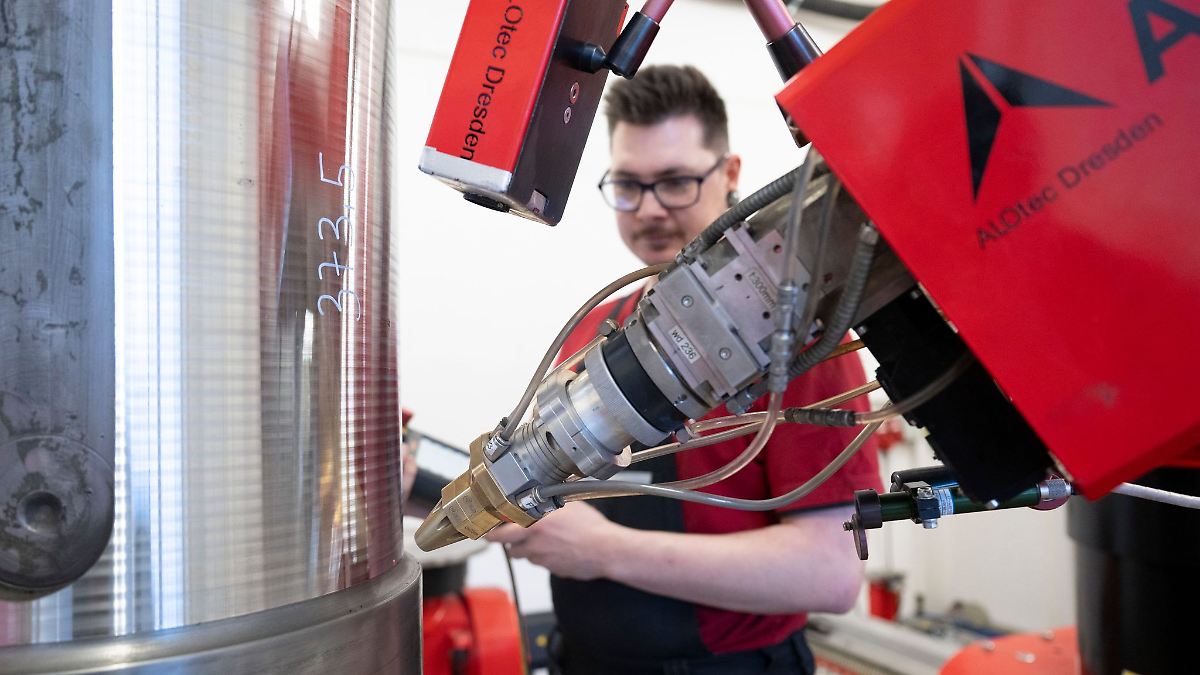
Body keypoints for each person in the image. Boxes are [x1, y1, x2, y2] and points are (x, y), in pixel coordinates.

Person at [488, 65, 881, 675]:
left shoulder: (796, 337)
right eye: (628, 186)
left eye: (674, 182)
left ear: (729, 176)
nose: (648, 210)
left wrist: (606, 552)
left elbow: (829, 574)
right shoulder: (604, 326)